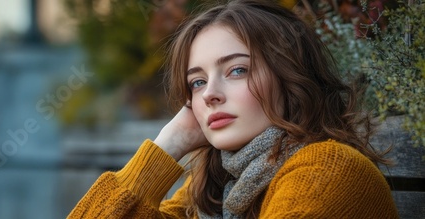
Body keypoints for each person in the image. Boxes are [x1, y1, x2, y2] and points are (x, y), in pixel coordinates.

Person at [67, 0, 399, 218]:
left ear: (291, 78)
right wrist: (168, 145)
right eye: (196, 82)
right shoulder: (215, 186)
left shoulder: (329, 171)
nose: (210, 94)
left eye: (237, 70)